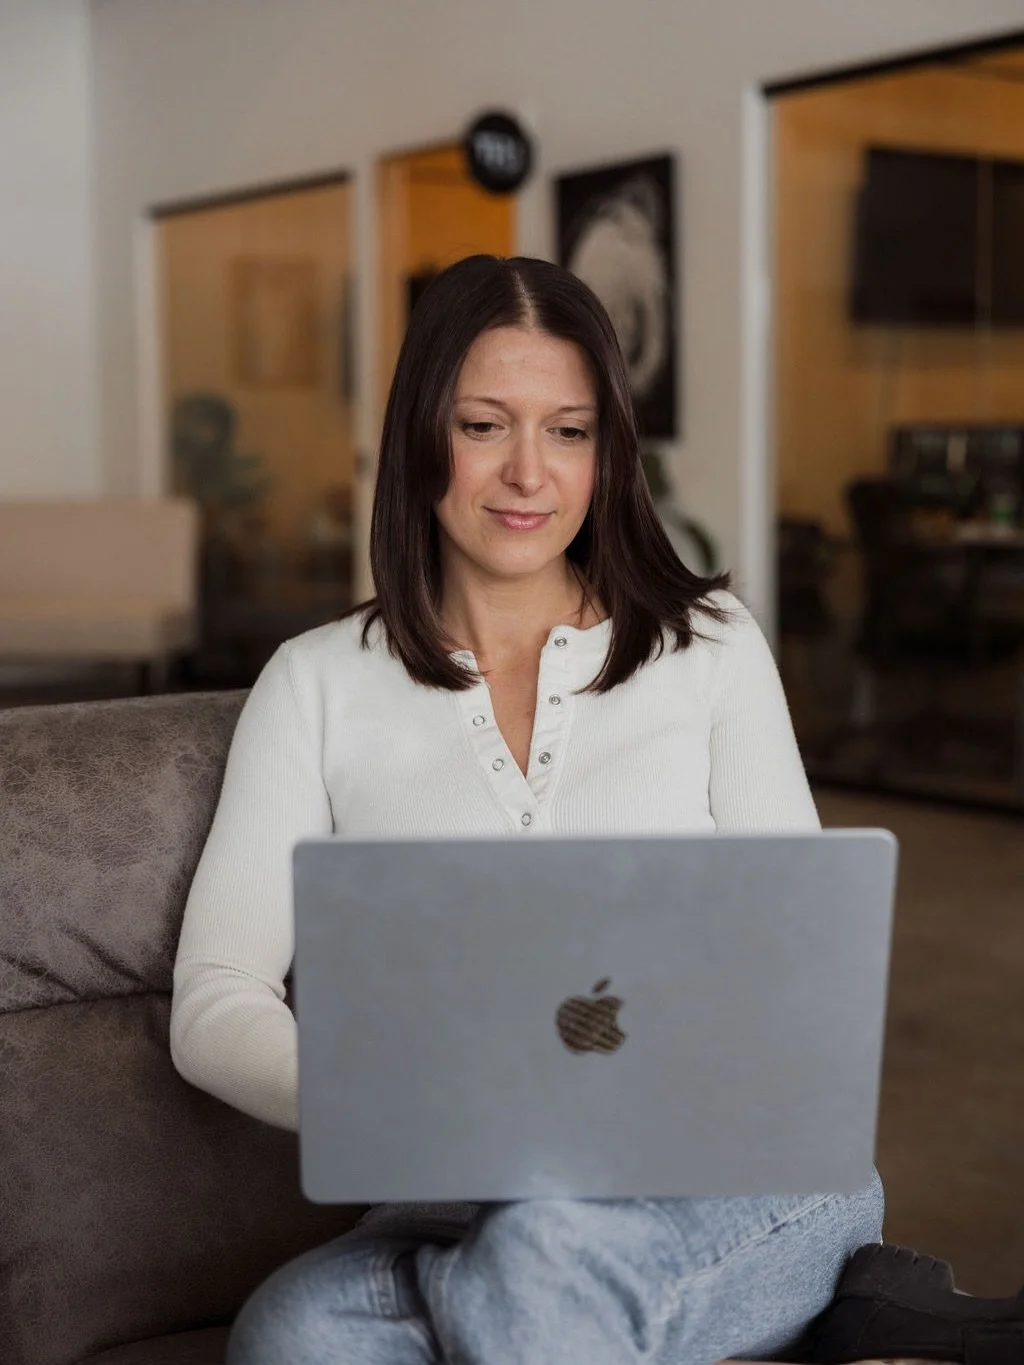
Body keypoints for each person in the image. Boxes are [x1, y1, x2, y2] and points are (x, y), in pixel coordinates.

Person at [170, 254, 884, 1365]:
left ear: (607, 452)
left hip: (738, 1180)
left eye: (568, 431)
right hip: (452, 1205)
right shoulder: (315, 682)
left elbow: (798, 959)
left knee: (543, 1252)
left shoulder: (711, 649)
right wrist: (410, 1104)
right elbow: (216, 999)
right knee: (295, 1331)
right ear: (421, 435)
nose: (527, 473)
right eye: (483, 425)